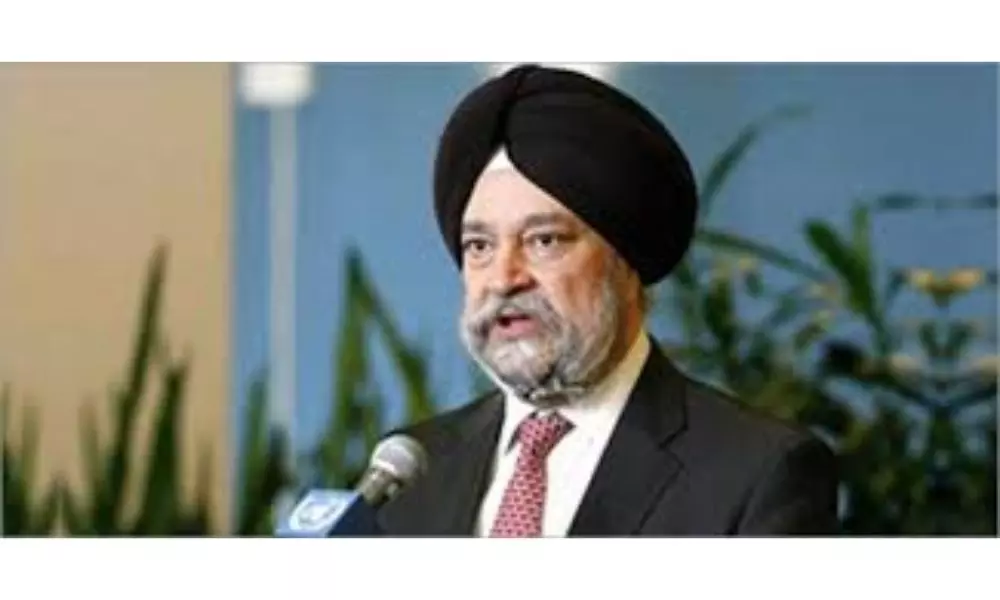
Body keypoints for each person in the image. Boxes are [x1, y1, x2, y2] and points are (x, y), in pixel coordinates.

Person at [376, 64, 839, 536]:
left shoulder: (757, 472)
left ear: (625, 260)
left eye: (544, 241)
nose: (503, 279)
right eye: (480, 246)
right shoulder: (409, 472)